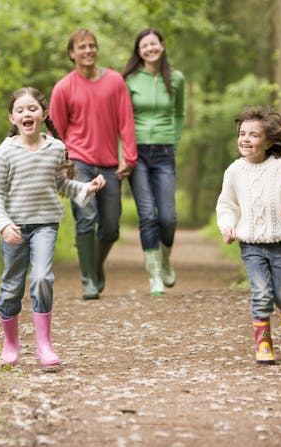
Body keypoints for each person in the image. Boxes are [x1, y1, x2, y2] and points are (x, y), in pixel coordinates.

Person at [0, 87, 106, 367]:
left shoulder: (55, 148)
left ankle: (44, 345)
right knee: (12, 286)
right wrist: (3, 225)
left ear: (42, 114)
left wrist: (87, 188)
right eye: (20, 110)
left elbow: (61, 184)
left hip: (45, 225)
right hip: (14, 228)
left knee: (42, 278)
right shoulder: (4, 152)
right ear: (12, 118)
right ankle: (11, 343)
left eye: (32, 109)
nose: (26, 114)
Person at [49, 28, 138, 300]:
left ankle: (95, 266)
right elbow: (55, 131)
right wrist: (61, 165)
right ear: (72, 53)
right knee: (87, 218)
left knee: (111, 225)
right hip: (78, 163)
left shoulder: (114, 81)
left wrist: (129, 157)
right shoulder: (64, 87)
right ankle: (88, 279)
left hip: (110, 164)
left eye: (92, 46)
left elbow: (126, 120)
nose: (88, 50)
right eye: (82, 47)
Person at [215, 105, 281, 365]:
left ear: (268, 142)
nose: (245, 139)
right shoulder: (234, 171)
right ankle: (264, 342)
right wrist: (227, 225)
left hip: (280, 244)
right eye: (242, 133)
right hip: (251, 245)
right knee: (261, 293)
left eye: (253, 135)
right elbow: (227, 205)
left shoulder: (280, 168)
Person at [122, 27, 185, 296]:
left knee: (168, 217)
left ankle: (165, 258)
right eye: (144, 45)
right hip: (137, 154)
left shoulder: (177, 79)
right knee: (147, 215)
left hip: (164, 152)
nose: (150, 48)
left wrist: (174, 139)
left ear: (162, 46)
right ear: (138, 51)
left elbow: (179, 113)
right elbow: (122, 119)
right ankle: (154, 275)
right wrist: (123, 154)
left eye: (154, 43)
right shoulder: (130, 80)